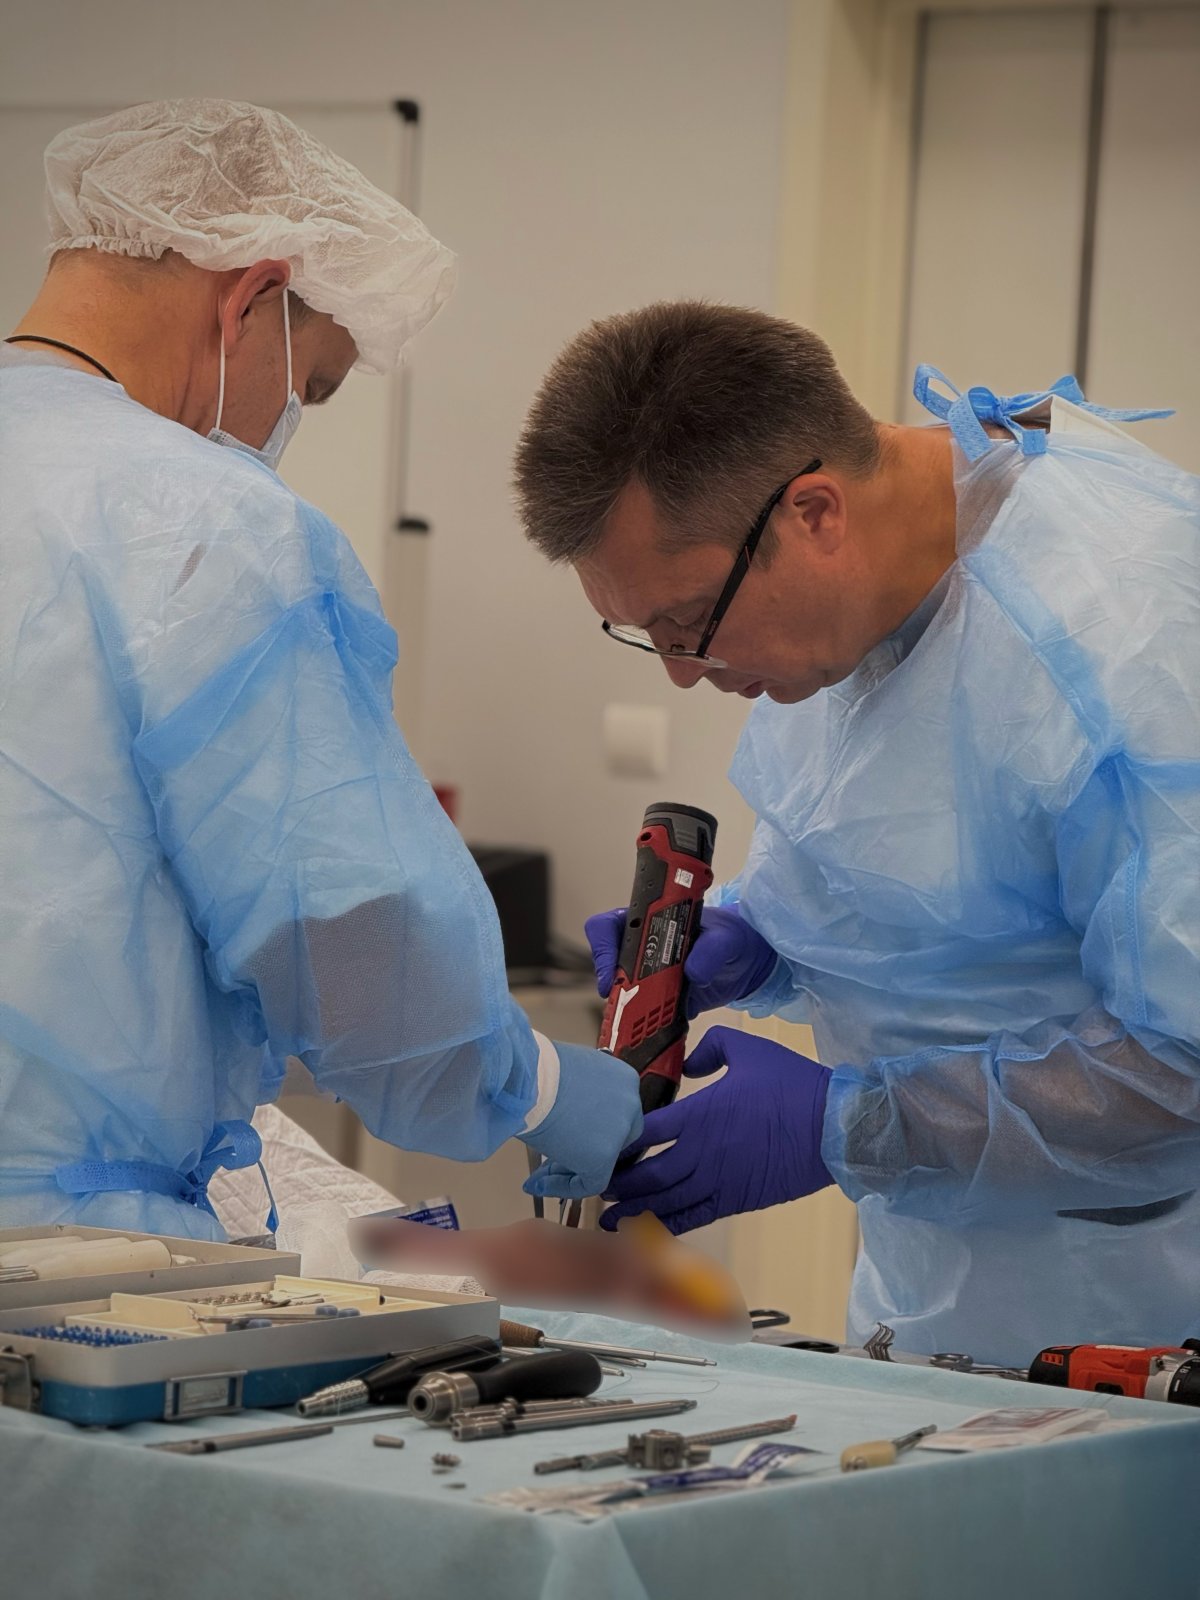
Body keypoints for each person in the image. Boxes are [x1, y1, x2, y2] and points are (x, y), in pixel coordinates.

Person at [0, 99, 641, 1242]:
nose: (291, 418)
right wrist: (535, 1084)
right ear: (249, 296)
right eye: (315, 384)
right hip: (64, 1264)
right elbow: (353, 930)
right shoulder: (205, 525)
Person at [513, 300, 1200, 1364]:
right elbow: (934, 871)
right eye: (646, 634)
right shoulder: (859, 595)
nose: (683, 675)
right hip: (937, 1295)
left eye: (688, 624)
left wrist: (854, 1126)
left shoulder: (1118, 646)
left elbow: (1183, 1065)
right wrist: (757, 940)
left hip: (1145, 1320)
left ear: (814, 513)